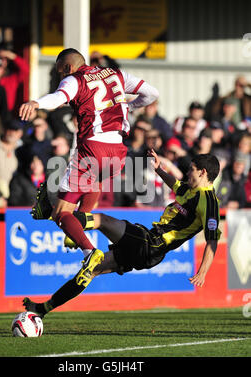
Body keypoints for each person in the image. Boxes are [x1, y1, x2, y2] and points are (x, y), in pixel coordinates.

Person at [23, 151, 221, 318]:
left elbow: (212, 240)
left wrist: (203, 271)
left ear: (203, 172)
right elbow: (175, 184)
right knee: (91, 271)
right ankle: (42, 309)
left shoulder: (209, 202)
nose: (187, 172)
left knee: (102, 220)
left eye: (191, 169)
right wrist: (159, 169)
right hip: (150, 247)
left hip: (153, 244)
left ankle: (52, 213)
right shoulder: (190, 190)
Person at [19, 48, 159, 275]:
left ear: (68, 67)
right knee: (94, 184)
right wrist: (124, 106)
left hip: (93, 148)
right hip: (118, 152)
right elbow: (151, 93)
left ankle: (89, 252)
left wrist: (36, 103)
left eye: (59, 73)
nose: (60, 78)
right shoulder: (116, 74)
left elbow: (58, 97)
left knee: (60, 213)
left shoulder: (75, 79)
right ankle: (80, 226)